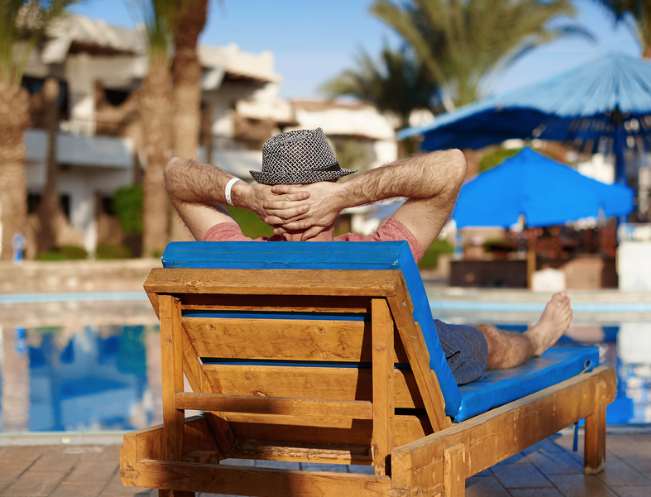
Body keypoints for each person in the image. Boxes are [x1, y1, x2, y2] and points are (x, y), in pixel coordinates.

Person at [163, 128, 572, 385]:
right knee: (485, 339)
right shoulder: (371, 256)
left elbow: (175, 175)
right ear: (332, 196)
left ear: (268, 195)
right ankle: (536, 339)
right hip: (392, 382)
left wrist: (245, 195)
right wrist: (343, 193)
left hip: (268, 388)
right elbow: (451, 166)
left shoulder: (235, 256)